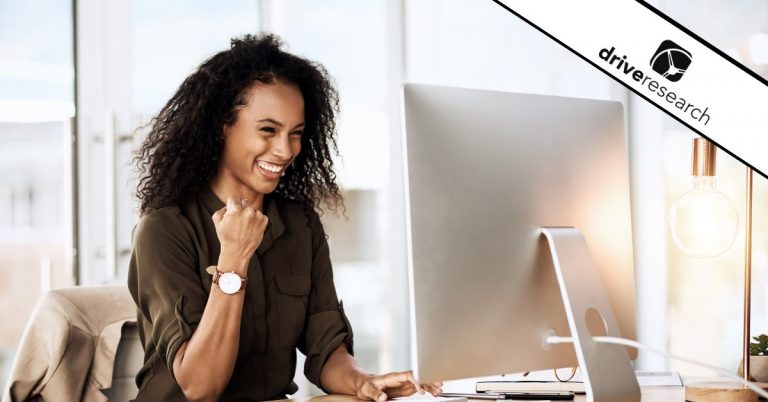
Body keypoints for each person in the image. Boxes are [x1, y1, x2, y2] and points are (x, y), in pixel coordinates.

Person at [128, 33, 442, 402]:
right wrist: (234, 260)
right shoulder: (165, 230)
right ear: (221, 125)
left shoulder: (300, 225)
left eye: (296, 134)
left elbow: (326, 348)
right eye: (267, 130)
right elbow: (200, 387)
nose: (284, 150)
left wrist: (363, 382)